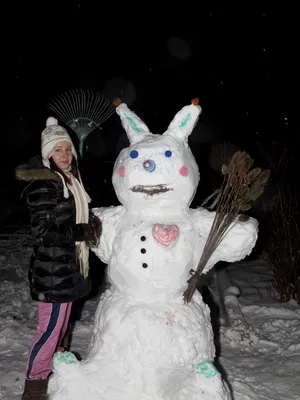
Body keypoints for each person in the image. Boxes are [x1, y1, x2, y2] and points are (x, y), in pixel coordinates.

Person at [16, 117, 101, 400]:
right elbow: (43, 232)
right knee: (49, 331)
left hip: (66, 268)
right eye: (57, 150)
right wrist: (80, 231)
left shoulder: (70, 181)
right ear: (47, 155)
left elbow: (71, 218)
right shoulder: (45, 184)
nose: (64, 154)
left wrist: (90, 223)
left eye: (67, 148)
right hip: (52, 272)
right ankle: (35, 385)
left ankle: (56, 368)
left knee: (62, 328)